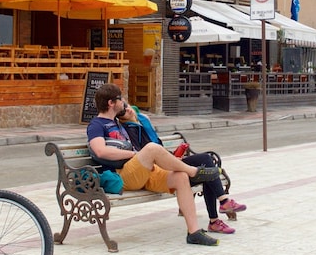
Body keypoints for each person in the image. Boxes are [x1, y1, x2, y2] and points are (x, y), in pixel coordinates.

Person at [87, 83, 222, 246]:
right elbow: (100, 151)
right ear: (111, 103)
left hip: (143, 172)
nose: (124, 102)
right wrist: (134, 154)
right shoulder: (97, 125)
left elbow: (142, 122)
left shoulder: (119, 122)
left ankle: (193, 233)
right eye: (121, 99)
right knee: (151, 149)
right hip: (123, 174)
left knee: (180, 177)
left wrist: (133, 117)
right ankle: (194, 171)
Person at [123, 104, 246, 234]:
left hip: (169, 162)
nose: (128, 110)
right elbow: (145, 155)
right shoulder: (129, 129)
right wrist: (171, 161)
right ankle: (218, 214)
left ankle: (221, 207)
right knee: (205, 170)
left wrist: (173, 157)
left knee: (206, 161)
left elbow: (158, 145)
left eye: (127, 106)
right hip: (160, 171)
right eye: (123, 111)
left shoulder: (142, 121)